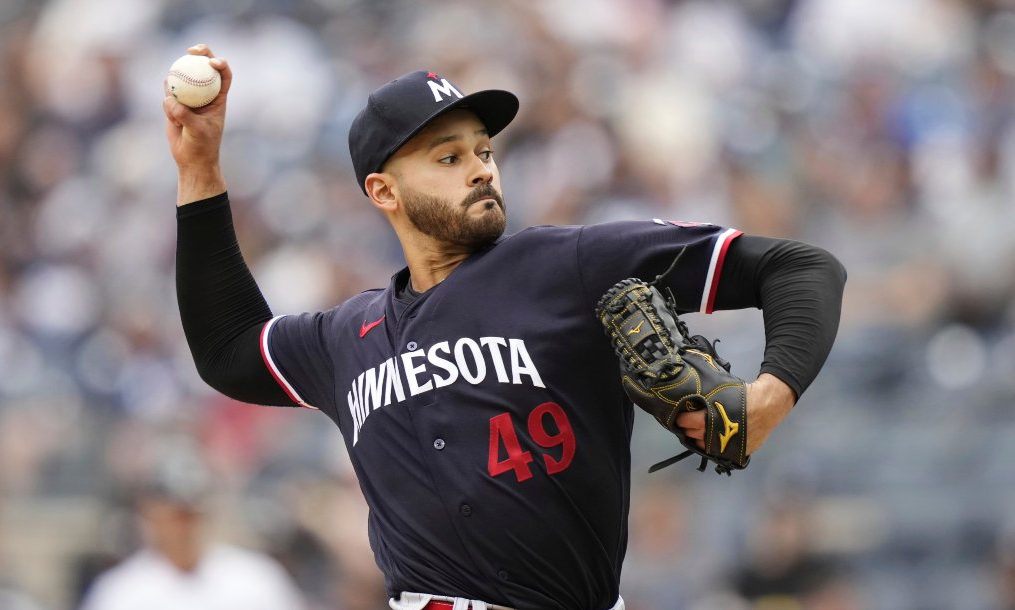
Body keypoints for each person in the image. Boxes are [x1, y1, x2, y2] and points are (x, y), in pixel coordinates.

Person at [162, 44, 846, 610]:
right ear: (383, 191)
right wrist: (199, 169)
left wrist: (769, 395)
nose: (481, 169)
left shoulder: (567, 265)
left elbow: (800, 268)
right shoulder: (346, 337)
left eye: (483, 149)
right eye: (448, 157)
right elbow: (228, 350)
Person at [78, 440, 307, 610]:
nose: (183, 527)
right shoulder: (121, 593)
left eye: (190, 514)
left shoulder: (257, 578)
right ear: (150, 513)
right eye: (174, 515)